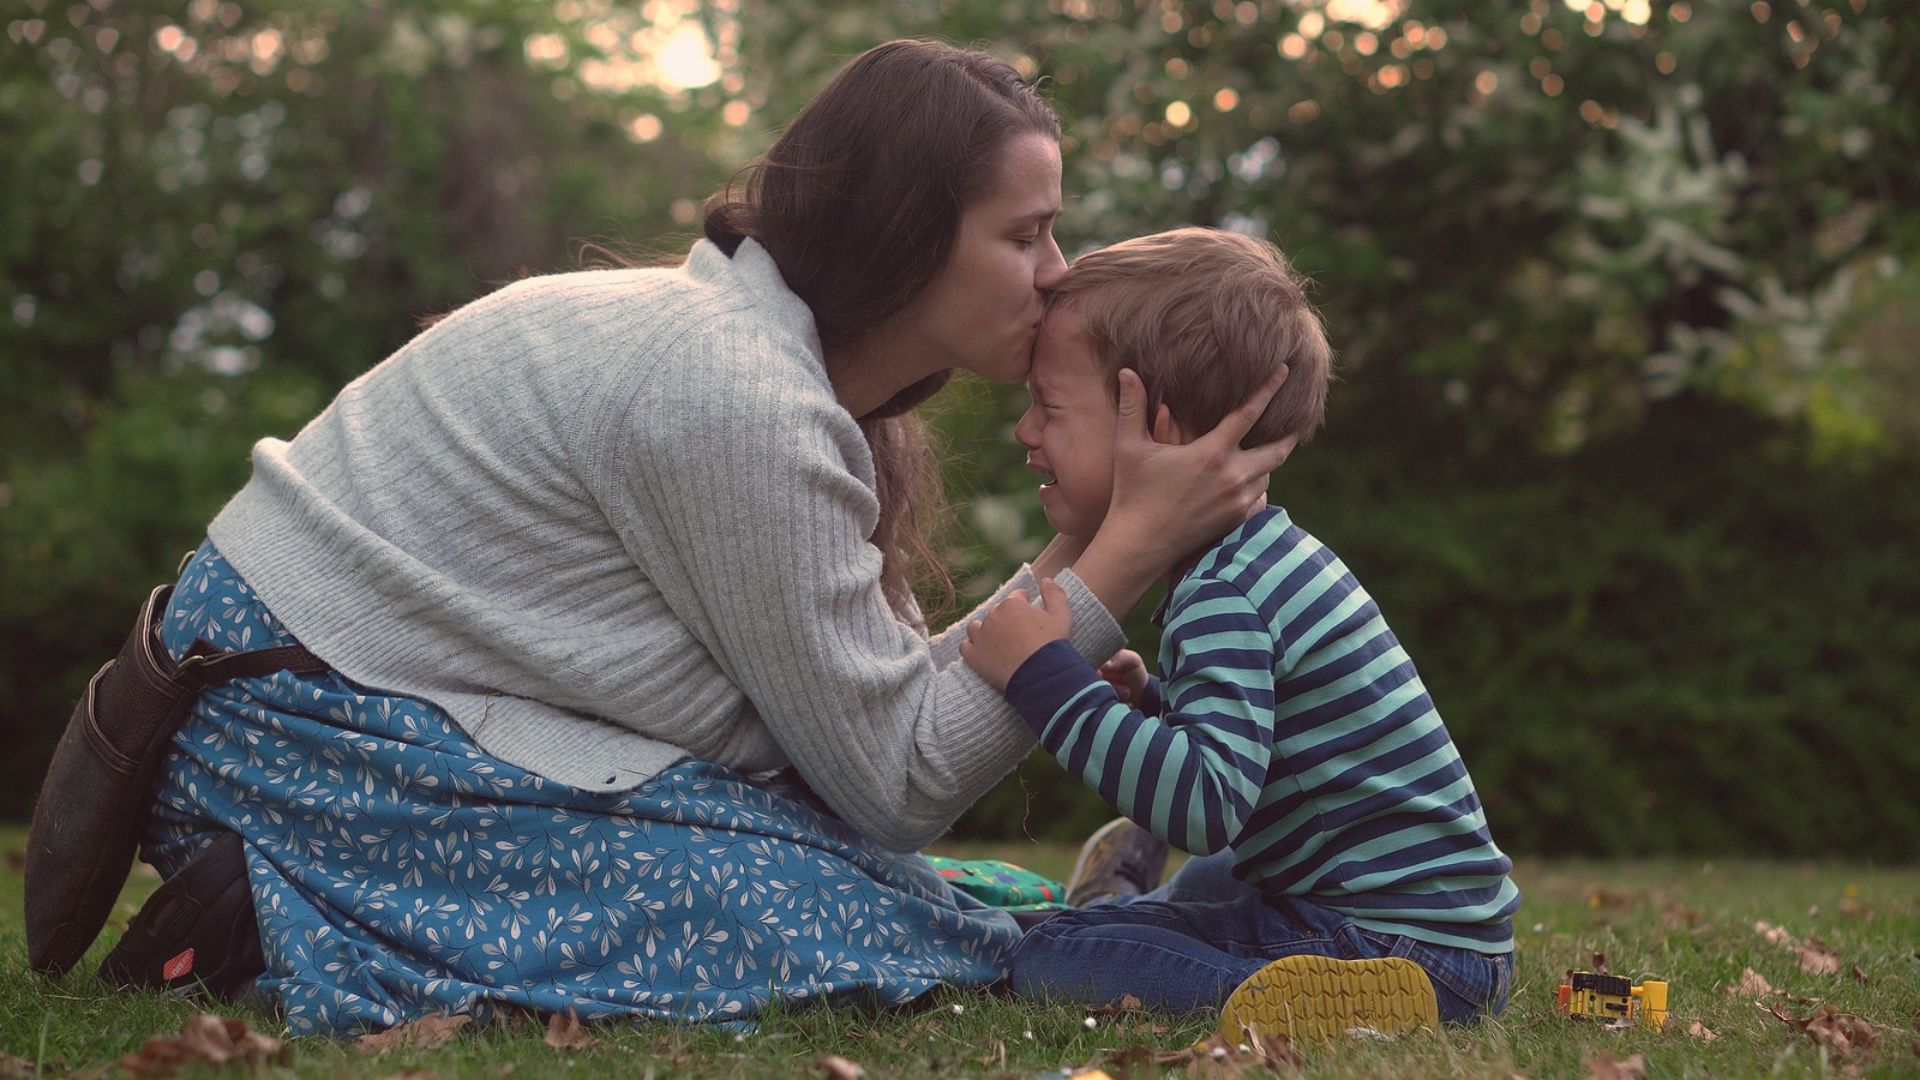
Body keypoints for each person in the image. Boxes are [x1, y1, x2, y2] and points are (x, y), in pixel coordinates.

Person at [35, 42, 1299, 1036]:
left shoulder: (778, 384)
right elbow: (897, 781)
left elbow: (875, 723)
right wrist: (1127, 546)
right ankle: (276, 909)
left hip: (373, 711)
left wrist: (1082, 560)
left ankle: (1127, 930)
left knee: (858, 886)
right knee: (826, 924)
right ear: (908, 236)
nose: (1055, 273)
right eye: (1025, 235)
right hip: (307, 735)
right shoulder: (734, 394)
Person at [959, 228, 1520, 1041]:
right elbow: (1266, 769)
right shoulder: (1257, 564)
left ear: (1161, 432)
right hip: (1446, 937)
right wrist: (1153, 704)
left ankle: (1156, 932)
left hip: (1396, 950)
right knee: (1218, 882)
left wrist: (1047, 680)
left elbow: (1207, 803)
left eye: (1048, 408)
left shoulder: (1223, 593)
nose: (1025, 432)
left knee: (1052, 956)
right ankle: (1131, 906)